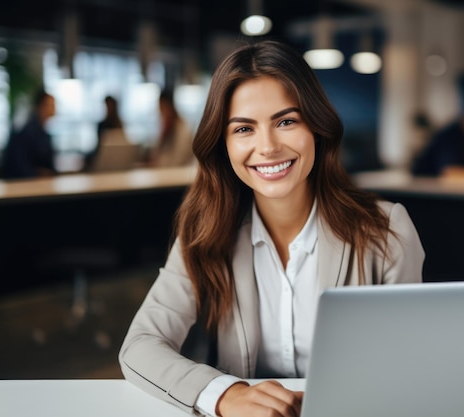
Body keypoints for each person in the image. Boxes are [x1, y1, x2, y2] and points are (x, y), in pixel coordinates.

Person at [119, 40, 425, 417]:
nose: (267, 147)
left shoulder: (386, 230)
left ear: (317, 126)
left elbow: (407, 364)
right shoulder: (206, 230)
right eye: (244, 128)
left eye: (286, 121)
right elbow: (140, 346)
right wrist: (225, 395)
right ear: (223, 144)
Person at [1, 89, 57, 179]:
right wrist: (38, 174)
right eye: (50, 105)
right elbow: (19, 165)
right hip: (24, 185)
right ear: (40, 106)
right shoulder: (27, 132)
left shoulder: (44, 133)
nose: (54, 108)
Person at [148, 88, 196, 167]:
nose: (161, 114)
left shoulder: (183, 130)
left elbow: (178, 161)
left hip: (179, 176)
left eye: (163, 109)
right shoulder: (166, 128)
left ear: (170, 107)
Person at [84, 95, 129, 170]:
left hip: (116, 157)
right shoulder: (101, 125)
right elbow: (99, 146)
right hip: (102, 157)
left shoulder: (119, 124)